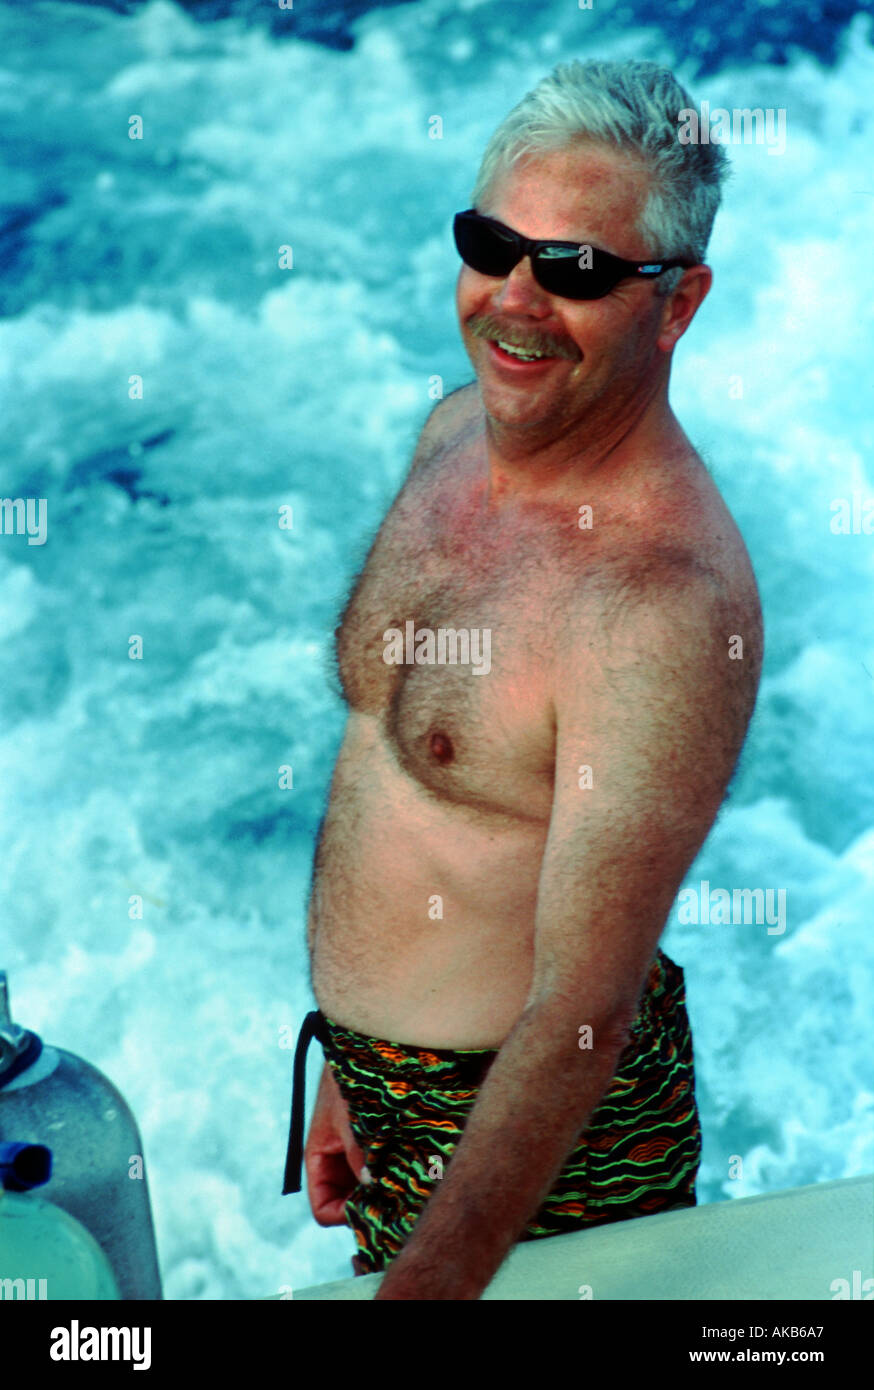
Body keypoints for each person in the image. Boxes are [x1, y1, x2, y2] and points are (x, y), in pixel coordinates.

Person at [282, 57, 762, 1301]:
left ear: (676, 301)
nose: (515, 300)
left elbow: (582, 1013)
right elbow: (402, 777)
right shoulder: (454, 433)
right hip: (397, 1104)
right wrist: (352, 1058)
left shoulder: (655, 602)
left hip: (557, 1151)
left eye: (578, 270)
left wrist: (427, 1285)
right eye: (493, 243)